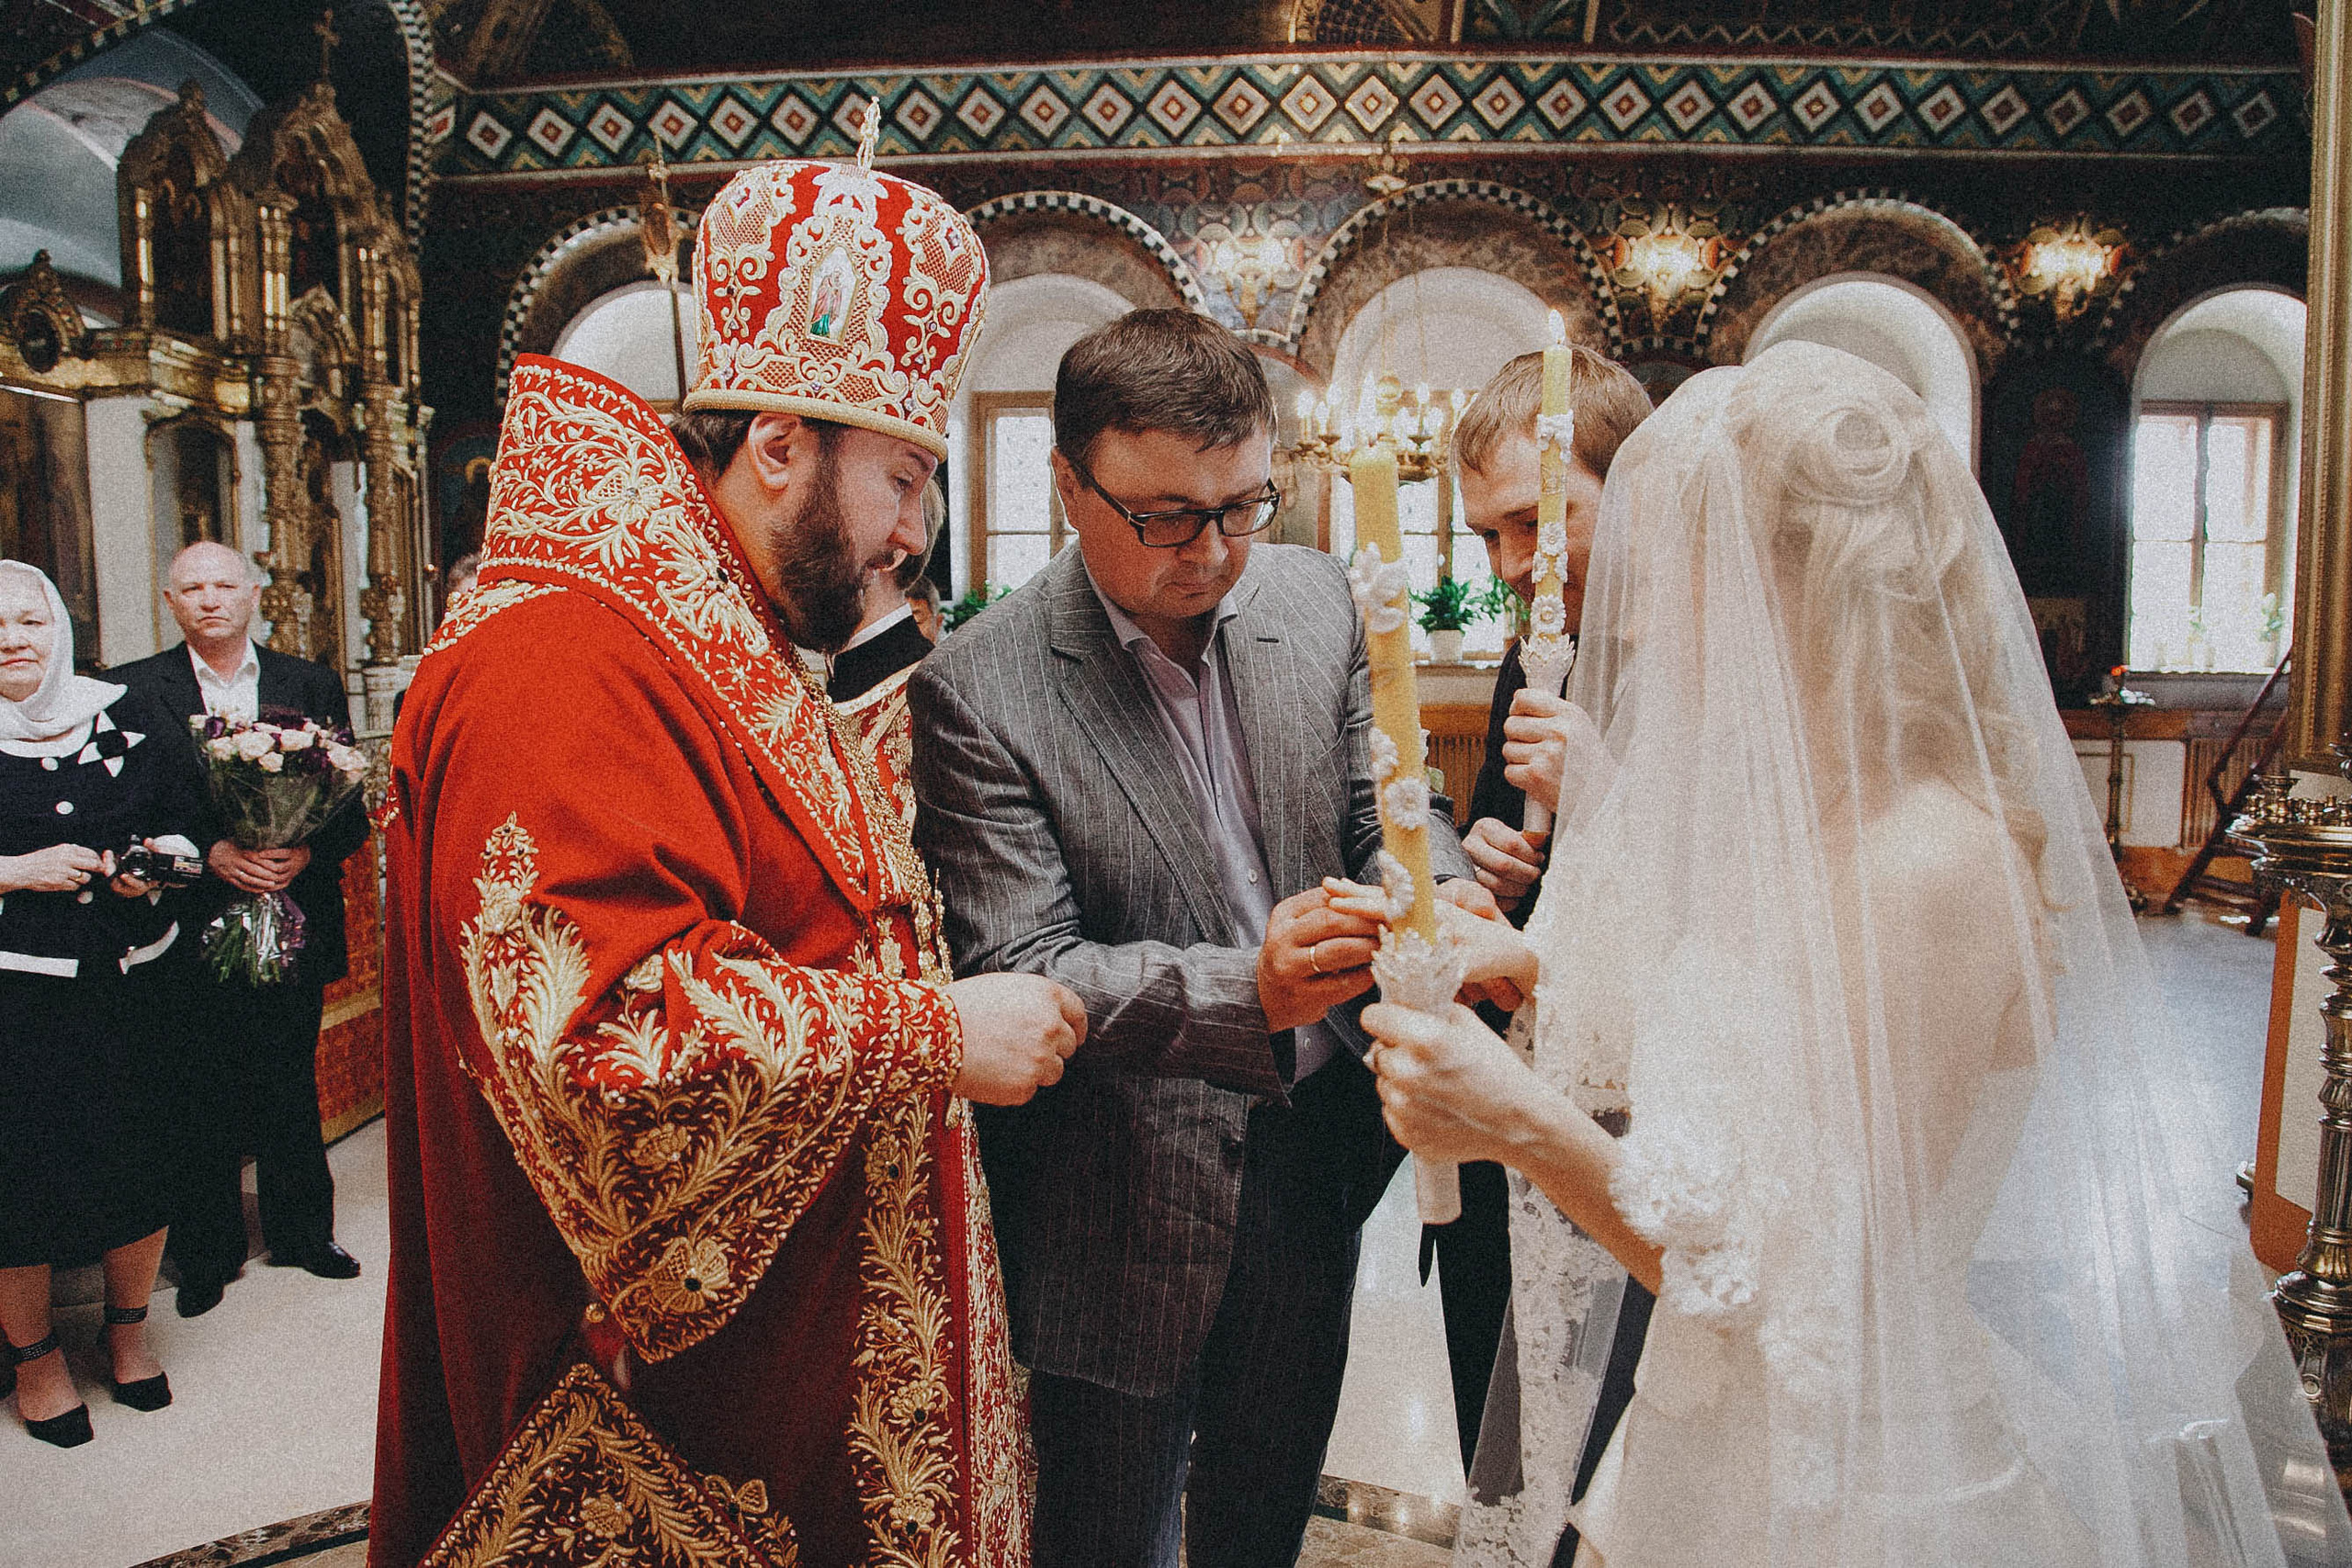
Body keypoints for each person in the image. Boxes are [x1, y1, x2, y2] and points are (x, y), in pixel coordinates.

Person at [1363, 341, 2338, 1566]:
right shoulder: (1793, 823)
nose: (1647, 619)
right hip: (1701, 1444)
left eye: (1679, 578)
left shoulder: (1932, 861)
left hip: (1846, 1488)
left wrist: (1515, 1120)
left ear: (1803, 585)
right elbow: (1718, 1045)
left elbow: (1796, 1286)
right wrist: (1515, 977)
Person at [371, 151, 1082, 1568]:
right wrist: (936, 1030)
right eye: (901, 476)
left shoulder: (692, 626)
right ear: (776, 445)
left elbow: (800, 883)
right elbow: (605, 1042)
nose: (912, 535)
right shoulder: (557, 658)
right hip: (665, 1436)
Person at [910, 307, 1487, 1568]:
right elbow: (1025, 967)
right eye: (1167, 515)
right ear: (1068, 484)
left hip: (1314, 1155)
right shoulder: (978, 686)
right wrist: (1250, 988)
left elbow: (1386, 798)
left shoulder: (1314, 596)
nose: (1217, 550)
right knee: (1104, 1534)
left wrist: (1443, 887)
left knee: (1260, 1513)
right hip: (1117, 1197)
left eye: (1242, 504)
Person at [1433, 346, 1651, 1503]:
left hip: (1639, 1159)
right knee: (1507, 1472)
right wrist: (1488, 872)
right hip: (1502, 1134)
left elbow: (1769, 928)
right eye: (1487, 538)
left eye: (1537, 523)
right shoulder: (1536, 648)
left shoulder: (1732, 665)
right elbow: (1511, 863)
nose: (1514, 566)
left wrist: (1607, 797)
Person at [113, 539, 370, 1318]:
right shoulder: (132, 692)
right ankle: (208, 1252)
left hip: (292, 912)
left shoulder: (309, 682)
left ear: (254, 593)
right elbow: (130, 813)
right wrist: (212, 855)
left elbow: (351, 811)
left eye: (225, 584)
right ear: (171, 601)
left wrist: (300, 849)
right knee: (200, 1086)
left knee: (289, 1075)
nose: (210, 599)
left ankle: (302, 1233)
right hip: (191, 919)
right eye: (192, 587)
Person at [0, 561, 204, 1447]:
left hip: (134, 982)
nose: (12, 639)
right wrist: (16, 871)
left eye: (28, 621)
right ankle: (36, 1359)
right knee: (23, 1179)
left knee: (142, 1159)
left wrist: (150, 866)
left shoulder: (123, 709)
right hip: (17, 999)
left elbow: (192, 821)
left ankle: (128, 1332)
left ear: (61, 628)